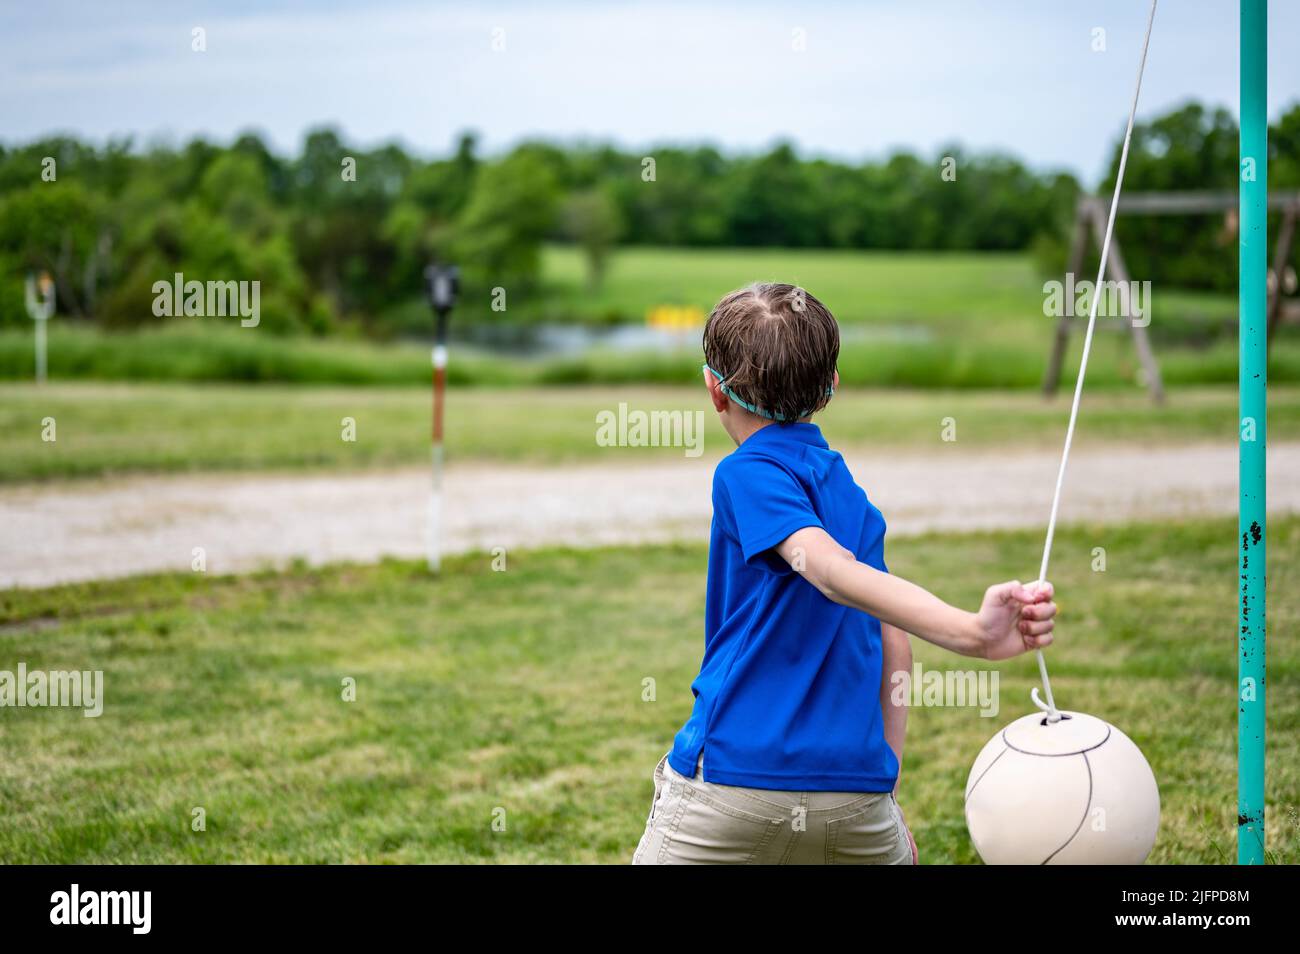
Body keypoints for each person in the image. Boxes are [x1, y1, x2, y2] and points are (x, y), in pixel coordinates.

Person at [632, 283, 1057, 865]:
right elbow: (894, 646)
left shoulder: (745, 473)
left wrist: (975, 634)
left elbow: (828, 572)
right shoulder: (852, 498)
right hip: (855, 798)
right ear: (832, 387)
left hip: (732, 785)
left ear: (713, 389)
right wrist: (886, 790)